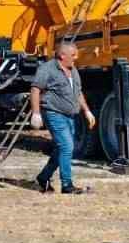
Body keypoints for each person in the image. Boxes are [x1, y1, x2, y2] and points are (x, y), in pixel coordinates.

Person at [31, 39, 97, 195]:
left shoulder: (73, 70)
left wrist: (87, 111)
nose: (75, 58)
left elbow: (78, 92)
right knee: (67, 146)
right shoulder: (46, 69)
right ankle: (67, 185)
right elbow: (35, 90)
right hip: (54, 113)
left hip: (70, 116)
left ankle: (44, 177)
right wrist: (36, 113)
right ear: (62, 55)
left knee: (62, 148)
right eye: (73, 55)